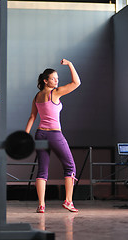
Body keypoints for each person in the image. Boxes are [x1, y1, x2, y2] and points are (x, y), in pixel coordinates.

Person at [25, 59, 81, 213]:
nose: (57, 80)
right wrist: (70, 64)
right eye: (53, 78)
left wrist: (25, 135)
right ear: (45, 80)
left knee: (42, 170)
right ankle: (68, 201)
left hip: (40, 134)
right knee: (70, 166)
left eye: (57, 78)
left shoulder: (37, 96)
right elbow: (76, 83)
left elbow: (32, 117)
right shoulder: (54, 93)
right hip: (54, 134)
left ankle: (41, 205)